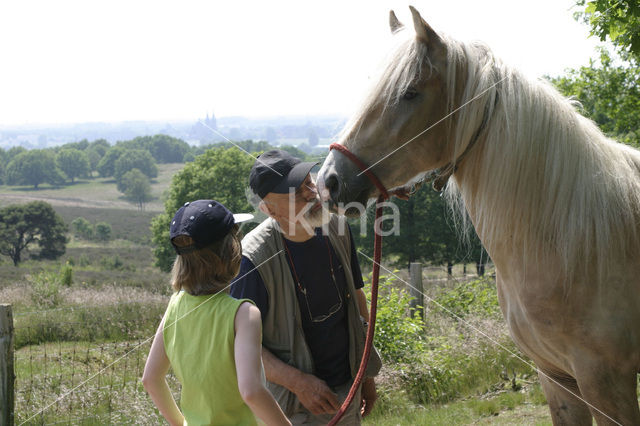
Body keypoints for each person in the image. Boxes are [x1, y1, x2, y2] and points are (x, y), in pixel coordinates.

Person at [230, 150, 382, 425]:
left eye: (309, 183)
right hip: (292, 409)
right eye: (295, 194)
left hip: (347, 390)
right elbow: (238, 345)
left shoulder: (337, 225)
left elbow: (357, 300)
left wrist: (365, 376)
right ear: (268, 210)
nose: (311, 194)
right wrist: (298, 382)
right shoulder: (253, 260)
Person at [142, 199, 291, 426]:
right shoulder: (244, 314)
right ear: (231, 252)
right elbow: (251, 391)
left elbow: (151, 379)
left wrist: (179, 422)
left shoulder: (174, 305)